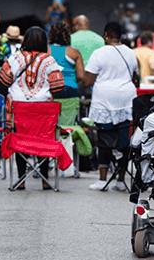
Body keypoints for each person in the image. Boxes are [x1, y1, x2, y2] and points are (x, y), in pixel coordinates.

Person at [0, 27, 65, 189]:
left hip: (18, 108)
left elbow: (4, 81)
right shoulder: (49, 60)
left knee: (21, 139)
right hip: (43, 109)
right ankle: (44, 180)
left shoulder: (15, 58)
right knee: (43, 139)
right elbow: (58, 87)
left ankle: (21, 181)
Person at [83, 22, 137, 191]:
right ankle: (120, 180)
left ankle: (102, 179)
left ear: (106, 35)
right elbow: (135, 75)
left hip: (104, 99)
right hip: (126, 100)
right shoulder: (130, 53)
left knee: (105, 138)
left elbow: (87, 81)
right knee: (123, 140)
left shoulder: (99, 53)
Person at [48, 22, 84, 99]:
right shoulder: (74, 52)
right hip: (70, 89)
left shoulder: (46, 49)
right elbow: (81, 75)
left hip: (51, 88)